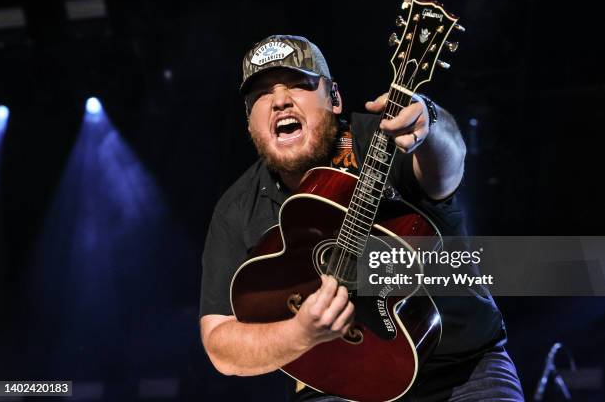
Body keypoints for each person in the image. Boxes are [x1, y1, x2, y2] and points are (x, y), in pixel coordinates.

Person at [199, 35, 524, 401]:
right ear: (248, 123)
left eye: (299, 84)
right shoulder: (238, 209)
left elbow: (446, 169)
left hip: (461, 369)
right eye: (261, 93)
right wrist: (299, 334)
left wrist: (430, 125)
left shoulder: (385, 138)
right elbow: (219, 341)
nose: (279, 100)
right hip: (339, 382)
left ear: (334, 98)